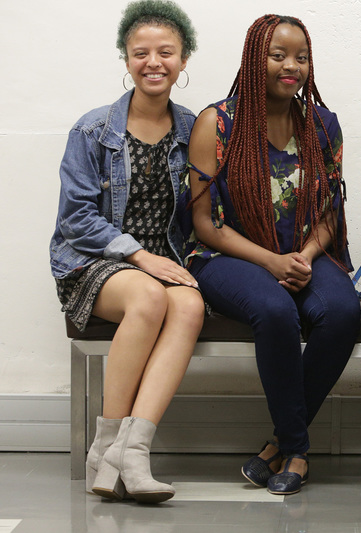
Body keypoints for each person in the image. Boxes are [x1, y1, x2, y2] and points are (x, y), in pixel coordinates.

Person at [186, 14, 360, 496]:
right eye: (278, 55)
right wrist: (271, 261)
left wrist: (302, 255)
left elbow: (331, 213)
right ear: (253, 58)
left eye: (301, 57)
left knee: (343, 311)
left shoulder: (322, 125)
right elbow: (205, 223)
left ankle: (278, 446)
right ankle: (298, 451)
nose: (292, 66)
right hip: (228, 257)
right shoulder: (216, 123)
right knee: (274, 309)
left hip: (303, 253)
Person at [48, 0, 203, 504]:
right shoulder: (93, 130)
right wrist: (138, 256)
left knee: (190, 303)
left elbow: (204, 211)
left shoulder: (194, 129)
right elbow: (76, 219)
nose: (153, 62)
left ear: (183, 60)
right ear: (126, 59)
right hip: (93, 261)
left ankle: (132, 451)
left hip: (164, 263)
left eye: (166, 52)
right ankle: (104, 446)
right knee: (150, 298)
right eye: (141, 53)